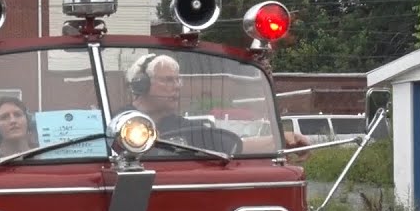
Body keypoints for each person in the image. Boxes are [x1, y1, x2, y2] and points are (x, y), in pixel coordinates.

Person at [123, 53, 309, 156]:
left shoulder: (186, 129)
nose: (177, 87)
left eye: (177, 80)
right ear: (141, 84)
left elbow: (236, 146)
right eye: (168, 80)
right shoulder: (117, 122)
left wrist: (283, 140)